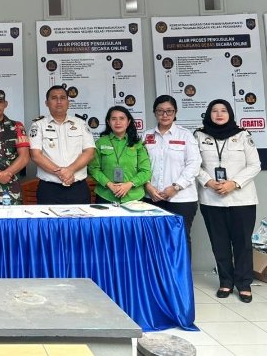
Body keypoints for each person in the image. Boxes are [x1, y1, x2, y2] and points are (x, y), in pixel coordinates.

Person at [195, 99, 260, 303]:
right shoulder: (199, 136)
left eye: (223, 110)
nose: (219, 114)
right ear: (208, 114)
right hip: (211, 199)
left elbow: (255, 165)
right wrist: (209, 182)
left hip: (242, 199)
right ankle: (225, 281)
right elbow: (194, 164)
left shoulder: (243, 135)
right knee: (219, 243)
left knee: (242, 243)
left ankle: (244, 283)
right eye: (214, 111)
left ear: (230, 114)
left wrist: (234, 183)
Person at [143, 95, 201, 253]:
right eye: (160, 111)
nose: (165, 115)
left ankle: (181, 271)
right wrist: (148, 186)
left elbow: (194, 164)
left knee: (179, 239)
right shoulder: (146, 136)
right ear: (154, 112)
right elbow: (140, 165)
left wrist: (176, 187)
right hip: (152, 197)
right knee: (154, 241)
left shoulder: (185, 135)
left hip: (181, 198)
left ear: (175, 112)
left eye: (169, 111)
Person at [29, 85, 95, 204]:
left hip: (78, 188)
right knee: (48, 217)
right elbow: (36, 155)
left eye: (63, 98)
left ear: (68, 102)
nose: (59, 101)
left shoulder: (80, 124)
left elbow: (89, 152)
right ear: (46, 103)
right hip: (49, 190)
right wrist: (61, 173)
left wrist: (70, 170)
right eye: (54, 98)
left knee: (81, 217)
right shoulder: (38, 125)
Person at [87, 106, 151, 204]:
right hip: (106, 196)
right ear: (108, 122)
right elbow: (93, 168)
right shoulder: (100, 143)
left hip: (133, 197)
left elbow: (146, 171)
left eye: (122, 118)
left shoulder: (137, 144)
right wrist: (109, 184)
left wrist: (129, 184)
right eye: (114, 119)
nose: (118, 122)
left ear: (128, 122)